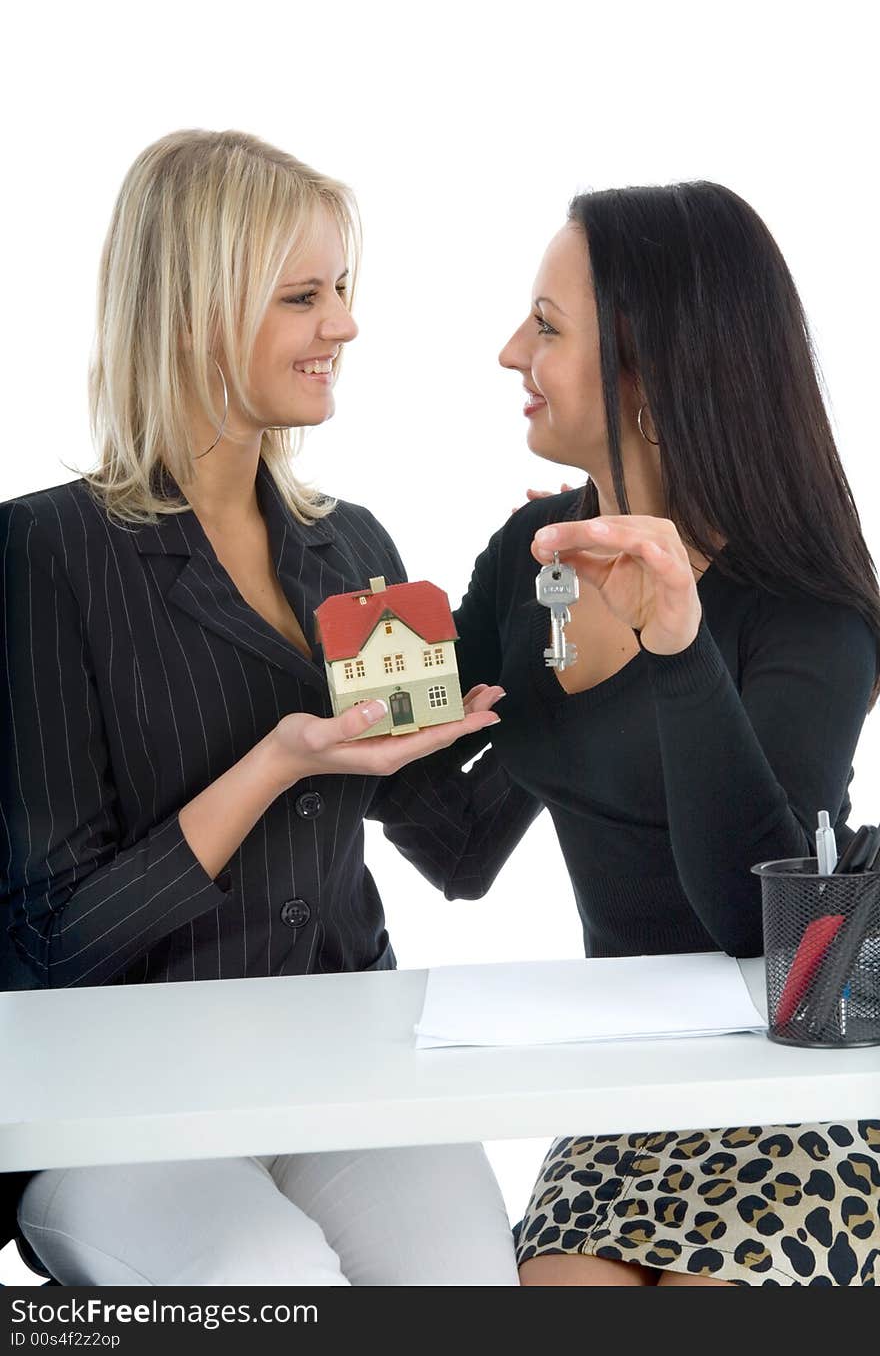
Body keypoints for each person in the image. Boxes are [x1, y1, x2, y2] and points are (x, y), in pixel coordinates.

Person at [0, 128, 518, 1286]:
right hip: (115, 1108)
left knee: (471, 1288)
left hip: (337, 1068)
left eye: (342, 289)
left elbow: (460, 847)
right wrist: (278, 760)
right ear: (190, 311)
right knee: (277, 1284)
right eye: (303, 296)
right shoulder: (43, 551)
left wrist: (561, 669)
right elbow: (49, 939)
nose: (343, 324)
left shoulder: (351, 547)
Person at [370, 181, 880, 1286]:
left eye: (547, 328)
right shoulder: (532, 559)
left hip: (798, 1101)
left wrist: (677, 647)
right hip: (625, 1100)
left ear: (647, 372)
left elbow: (762, 933)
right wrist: (351, 713)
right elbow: (456, 842)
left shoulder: (810, 608)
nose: (512, 351)